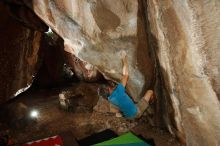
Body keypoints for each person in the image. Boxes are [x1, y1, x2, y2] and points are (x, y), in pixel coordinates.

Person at [98, 50, 154, 119]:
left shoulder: (110, 99)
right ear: (109, 89)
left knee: (117, 107)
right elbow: (125, 75)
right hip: (136, 112)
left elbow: (113, 108)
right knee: (150, 92)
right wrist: (124, 58)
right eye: (109, 86)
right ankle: (151, 102)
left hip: (128, 117)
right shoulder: (119, 92)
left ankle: (123, 113)